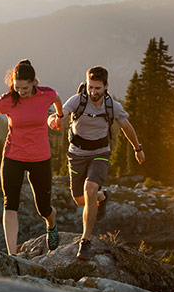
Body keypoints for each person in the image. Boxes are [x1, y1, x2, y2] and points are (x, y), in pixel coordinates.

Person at [0, 59, 63, 256]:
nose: (21, 92)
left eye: (25, 88)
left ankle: (51, 225)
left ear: (34, 83)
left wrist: (58, 118)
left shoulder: (47, 94)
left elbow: (58, 100)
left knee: (43, 209)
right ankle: (12, 255)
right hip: (13, 156)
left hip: (40, 158)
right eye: (17, 87)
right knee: (10, 204)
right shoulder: (6, 100)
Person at [48, 66, 144, 260]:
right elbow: (63, 112)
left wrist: (137, 148)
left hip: (100, 153)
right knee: (79, 199)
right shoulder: (78, 100)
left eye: (97, 88)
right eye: (91, 87)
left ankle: (85, 241)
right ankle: (103, 197)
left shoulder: (112, 106)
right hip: (76, 155)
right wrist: (55, 119)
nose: (93, 92)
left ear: (106, 86)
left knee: (89, 188)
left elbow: (126, 127)